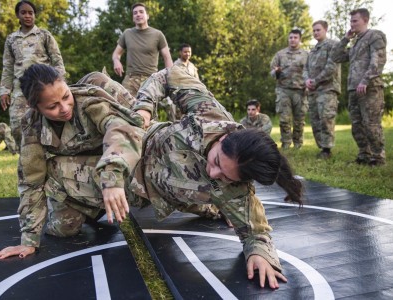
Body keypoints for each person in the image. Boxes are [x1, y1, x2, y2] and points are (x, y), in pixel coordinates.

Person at [129, 65, 304, 289]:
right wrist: (144, 108)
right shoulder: (209, 112)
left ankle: (215, 207)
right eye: (218, 162)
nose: (213, 173)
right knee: (95, 87)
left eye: (226, 177)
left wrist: (260, 254)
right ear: (224, 139)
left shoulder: (238, 191)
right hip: (141, 139)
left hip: (145, 188)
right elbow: (169, 75)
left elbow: (257, 232)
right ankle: (216, 208)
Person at [0, 64, 145, 259]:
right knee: (62, 229)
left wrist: (111, 177)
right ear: (35, 107)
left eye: (66, 96)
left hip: (125, 157)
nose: (64, 108)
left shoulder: (89, 99)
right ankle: (91, 206)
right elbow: (31, 180)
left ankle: (100, 199)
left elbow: (126, 129)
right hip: (84, 173)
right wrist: (29, 240)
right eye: (52, 106)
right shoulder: (32, 126)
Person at [0, 0, 65, 153]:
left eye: (31, 12)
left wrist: (60, 84)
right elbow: (8, 67)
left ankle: (51, 153)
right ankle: (26, 155)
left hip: (43, 85)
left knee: (47, 121)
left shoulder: (44, 35)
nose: (28, 16)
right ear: (18, 15)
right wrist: (4, 90)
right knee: (16, 125)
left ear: (35, 15)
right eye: (24, 12)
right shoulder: (11, 39)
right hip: (20, 88)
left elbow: (57, 60)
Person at [331, 8, 387, 166]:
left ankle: (378, 158)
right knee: (357, 125)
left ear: (365, 20)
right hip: (354, 89)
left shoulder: (374, 36)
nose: (351, 24)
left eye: (355, 21)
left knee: (371, 124)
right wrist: (345, 39)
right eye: (351, 21)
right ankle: (364, 155)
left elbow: (378, 61)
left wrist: (365, 80)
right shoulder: (356, 43)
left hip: (369, 88)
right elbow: (336, 56)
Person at [112, 2, 173, 97]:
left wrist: (170, 79)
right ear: (133, 17)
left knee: (147, 109)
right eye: (135, 13)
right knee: (124, 109)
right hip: (130, 80)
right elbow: (116, 54)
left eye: (141, 12)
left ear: (147, 16)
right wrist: (116, 61)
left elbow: (167, 57)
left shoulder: (157, 34)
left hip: (150, 80)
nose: (138, 14)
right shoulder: (127, 33)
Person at [303, 20, 341, 159]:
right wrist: (307, 80)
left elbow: (331, 67)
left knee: (326, 118)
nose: (315, 32)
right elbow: (305, 68)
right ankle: (321, 147)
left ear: (325, 30)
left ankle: (327, 149)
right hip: (313, 91)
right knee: (315, 120)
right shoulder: (312, 50)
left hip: (327, 88)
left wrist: (315, 80)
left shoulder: (333, 45)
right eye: (313, 30)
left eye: (318, 30)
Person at [270, 29, 308, 149]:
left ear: (300, 39)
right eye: (291, 37)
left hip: (301, 91)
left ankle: (298, 144)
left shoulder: (306, 55)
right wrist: (276, 71)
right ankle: (286, 143)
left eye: (295, 37)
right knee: (284, 119)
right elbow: (271, 72)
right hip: (283, 90)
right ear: (288, 39)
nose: (293, 40)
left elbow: (311, 71)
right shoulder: (280, 54)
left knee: (299, 120)